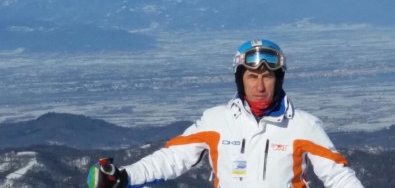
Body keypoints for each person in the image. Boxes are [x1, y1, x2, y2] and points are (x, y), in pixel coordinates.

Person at [88, 39, 364, 188]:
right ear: (240, 79)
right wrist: (123, 176)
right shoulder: (216, 121)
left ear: (278, 80)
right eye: (252, 76)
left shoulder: (304, 126)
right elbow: (172, 158)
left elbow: (338, 176)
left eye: (267, 77)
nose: (259, 85)